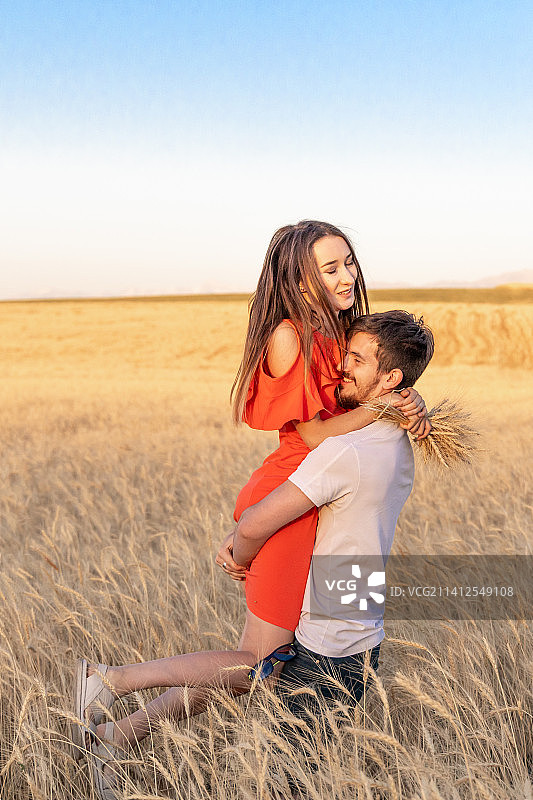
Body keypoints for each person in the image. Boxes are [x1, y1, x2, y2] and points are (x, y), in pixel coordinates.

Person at [72, 222, 429, 797]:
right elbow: (313, 434)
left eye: (349, 263)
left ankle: (119, 735)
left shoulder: (336, 330)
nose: (348, 276)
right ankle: (108, 680)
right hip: (290, 493)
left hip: (302, 495)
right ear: (298, 276)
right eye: (330, 267)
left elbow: (381, 368)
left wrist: (407, 397)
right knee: (255, 663)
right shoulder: (293, 335)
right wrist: (248, 537)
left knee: (262, 664)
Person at [225, 311, 435, 726]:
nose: (343, 366)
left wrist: (240, 553)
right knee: (257, 680)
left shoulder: (346, 451)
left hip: (328, 641)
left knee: (254, 676)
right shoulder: (396, 440)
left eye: (357, 359)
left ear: (391, 379)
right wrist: (401, 403)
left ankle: (116, 685)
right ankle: (119, 718)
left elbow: (252, 525)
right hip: (363, 634)